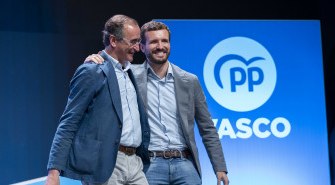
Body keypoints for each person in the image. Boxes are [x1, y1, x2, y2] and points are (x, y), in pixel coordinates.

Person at [85, 21, 229, 185]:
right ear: (142, 47)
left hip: (184, 162)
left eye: (164, 41)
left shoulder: (189, 81)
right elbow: (105, 72)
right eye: (154, 42)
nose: (160, 46)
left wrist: (220, 168)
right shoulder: (129, 75)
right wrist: (93, 61)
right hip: (149, 164)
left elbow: (207, 128)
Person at [45, 15, 150, 185]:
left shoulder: (129, 72)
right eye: (133, 42)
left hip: (135, 164)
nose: (137, 48)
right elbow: (69, 121)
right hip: (106, 165)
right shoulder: (92, 71)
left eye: (138, 41)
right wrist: (54, 172)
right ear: (114, 40)